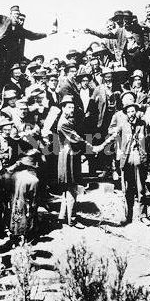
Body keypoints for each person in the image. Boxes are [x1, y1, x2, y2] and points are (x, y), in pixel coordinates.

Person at [56, 96, 110, 227]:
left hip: (70, 155)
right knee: (72, 187)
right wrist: (93, 148)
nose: (72, 110)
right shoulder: (64, 123)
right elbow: (77, 139)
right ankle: (72, 219)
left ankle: (62, 216)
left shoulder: (67, 120)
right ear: (63, 108)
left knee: (68, 188)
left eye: (73, 107)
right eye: (69, 107)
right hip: (68, 157)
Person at [115, 101, 150, 223]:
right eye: (129, 112)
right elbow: (117, 139)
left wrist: (148, 159)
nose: (131, 114)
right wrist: (119, 153)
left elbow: (147, 141)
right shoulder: (123, 125)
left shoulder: (142, 124)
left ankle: (143, 215)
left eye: (133, 111)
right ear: (126, 113)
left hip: (139, 157)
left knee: (141, 188)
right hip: (127, 158)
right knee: (127, 189)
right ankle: (127, 216)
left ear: (136, 112)